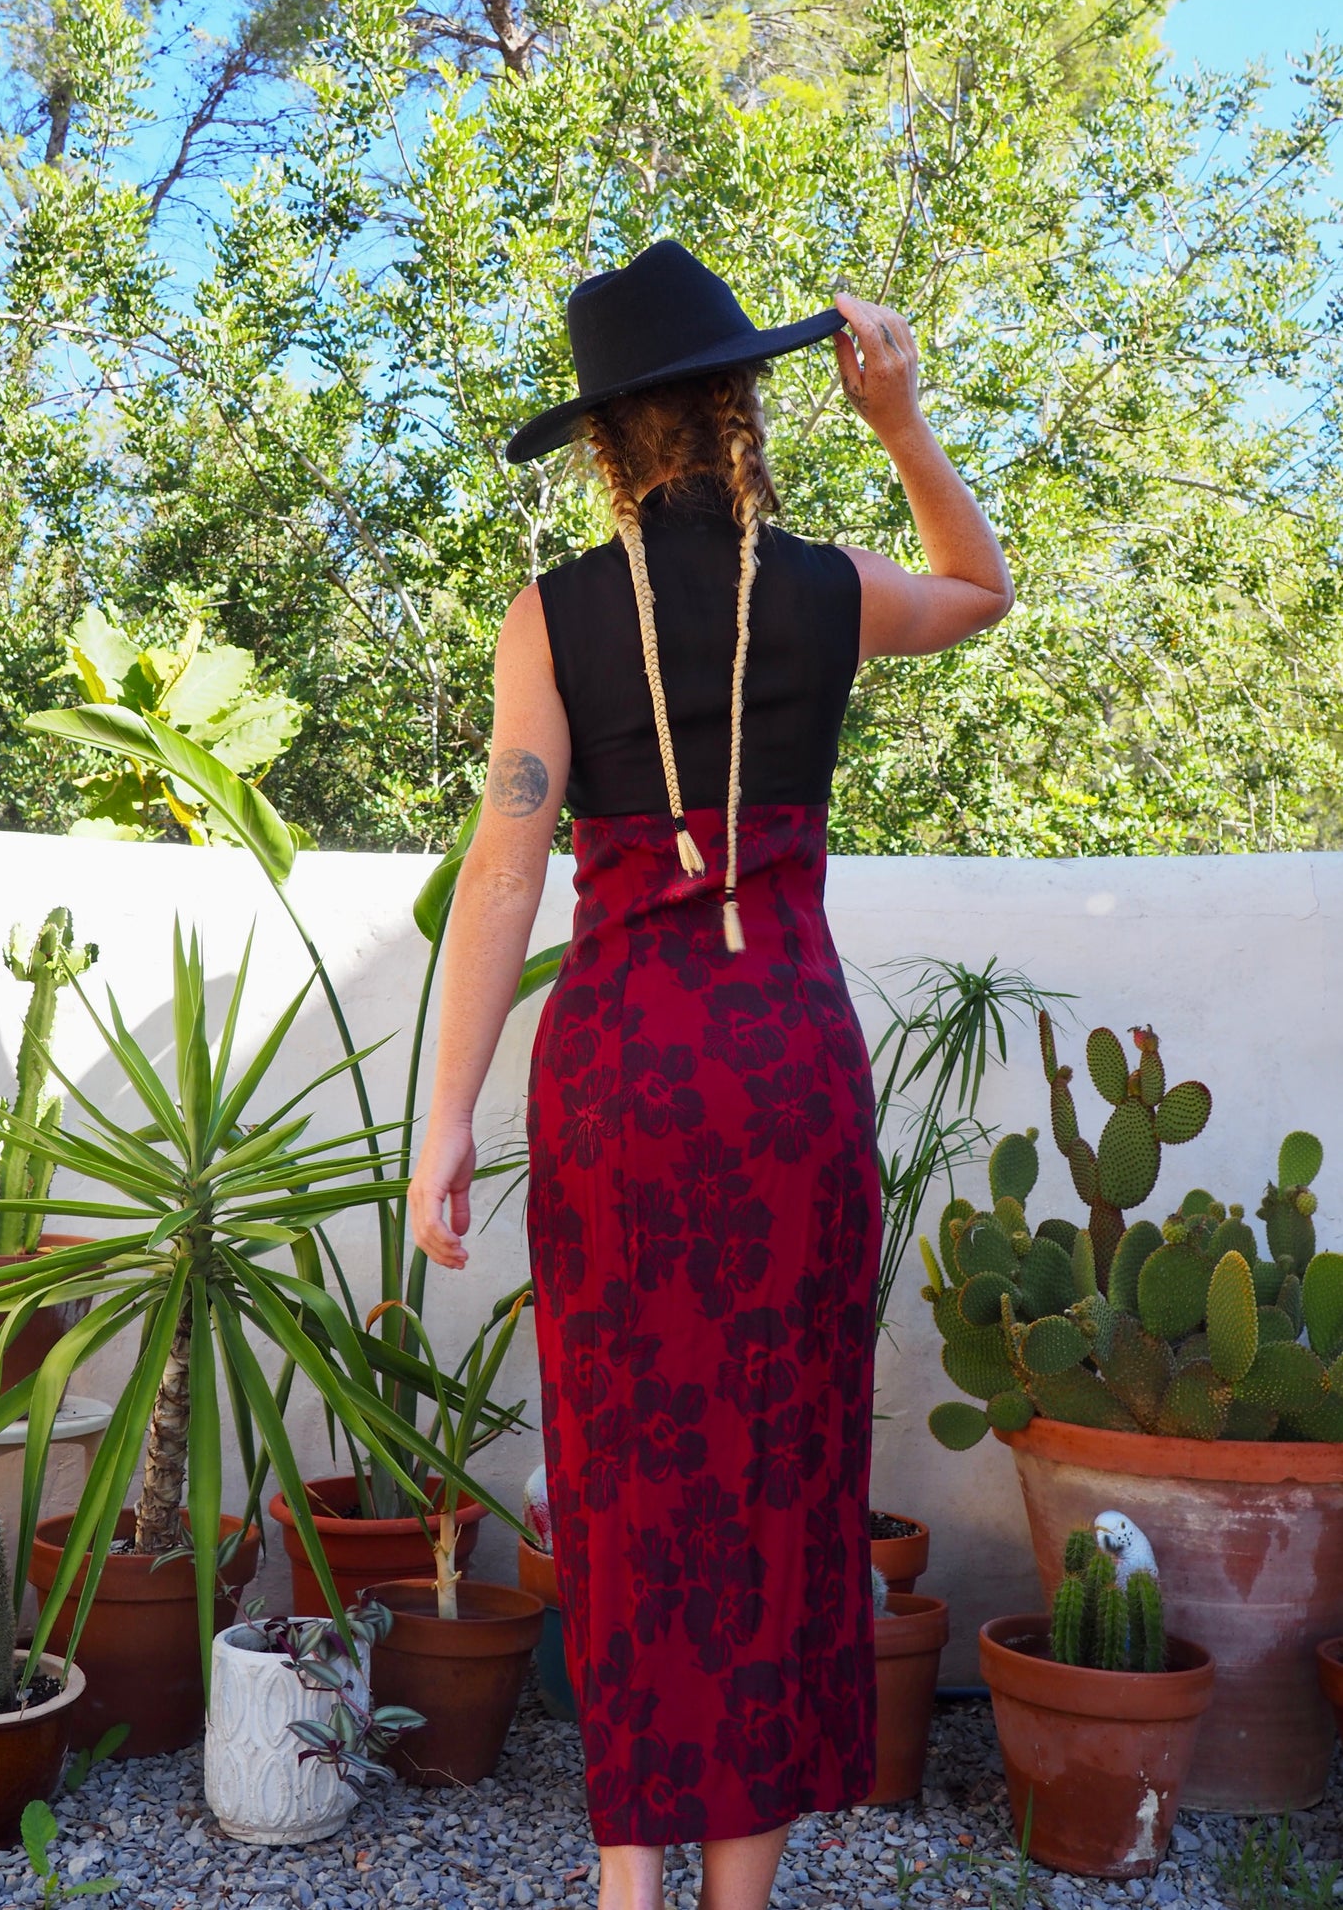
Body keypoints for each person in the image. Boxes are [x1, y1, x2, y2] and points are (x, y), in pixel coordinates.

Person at [407, 239, 1014, 1910]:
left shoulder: (556, 615)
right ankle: (739, 1896)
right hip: (786, 1079)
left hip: (615, 1086)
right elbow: (980, 590)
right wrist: (898, 423)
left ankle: (627, 1888)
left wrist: (444, 1117)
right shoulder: (821, 589)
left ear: (605, 442)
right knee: (773, 1478)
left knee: (623, 1480)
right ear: (747, 403)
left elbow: (502, 876)